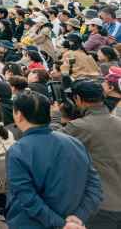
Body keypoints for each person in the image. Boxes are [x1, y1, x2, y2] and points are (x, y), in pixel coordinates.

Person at [7, 90, 103, 229]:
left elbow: (26, 196)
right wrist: (78, 217)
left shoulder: (18, 150)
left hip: (32, 223)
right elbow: (94, 185)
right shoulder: (74, 143)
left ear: (19, 115)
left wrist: (61, 224)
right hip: (73, 220)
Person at [62, 80, 121, 228]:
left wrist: (58, 116)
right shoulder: (118, 122)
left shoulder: (79, 126)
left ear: (78, 99)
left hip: (101, 205)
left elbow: (50, 144)